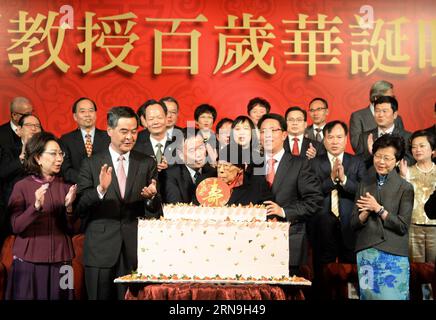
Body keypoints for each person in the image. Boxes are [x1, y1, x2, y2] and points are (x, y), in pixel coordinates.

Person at [76, 106, 162, 300]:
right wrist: (100, 190)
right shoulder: (91, 163)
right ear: (109, 130)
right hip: (100, 250)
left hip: (134, 249)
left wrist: (151, 199)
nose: (129, 137)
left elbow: (156, 212)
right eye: (124, 131)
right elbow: (79, 207)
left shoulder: (146, 163)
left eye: (134, 131)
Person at [6, 131, 77, 300]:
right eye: (53, 154)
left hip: (63, 263)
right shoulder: (21, 186)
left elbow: (73, 229)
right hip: (29, 262)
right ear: (38, 158)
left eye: (61, 154)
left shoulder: (66, 187)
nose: (59, 158)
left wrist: (68, 208)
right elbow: (16, 226)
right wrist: (35, 207)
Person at [258, 113, 323, 276]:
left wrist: (284, 211)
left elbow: (314, 201)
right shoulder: (252, 166)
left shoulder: (300, 164)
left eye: (273, 130)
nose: (267, 135)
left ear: (284, 135)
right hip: (256, 243)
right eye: (263, 131)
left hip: (289, 239)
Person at [351, 135, 414, 300]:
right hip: (366, 253)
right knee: (368, 296)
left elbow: (402, 226)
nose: (381, 161)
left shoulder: (405, 188)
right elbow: (353, 223)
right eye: (378, 156)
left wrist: (378, 209)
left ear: (398, 161)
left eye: (387, 158)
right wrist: (365, 212)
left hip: (393, 252)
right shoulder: (364, 184)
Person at [309, 121, 366, 299]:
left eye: (339, 137)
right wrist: (332, 180)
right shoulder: (313, 164)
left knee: (350, 270)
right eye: (330, 137)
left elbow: (363, 192)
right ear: (324, 140)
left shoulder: (356, 162)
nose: (335, 141)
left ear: (346, 139)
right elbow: (311, 194)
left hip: (350, 224)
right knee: (321, 270)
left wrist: (344, 180)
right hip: (322, 224)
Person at [0, 114, 43, 244]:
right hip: (13, 208)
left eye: (37, 126)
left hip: (40, 206)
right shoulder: (8, 150)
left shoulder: (47, 151)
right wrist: (21, 159)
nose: (34, 129)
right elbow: (3, 173)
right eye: (30, 125)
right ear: (19, 131)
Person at [399, 130, 436, 263]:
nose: (417, 150)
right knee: (416, 270)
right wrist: (403, 178)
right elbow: (402, 200)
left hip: (435, 227)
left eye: (421, 146)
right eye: (414, 147)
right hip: (413, 227)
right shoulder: (406, 171)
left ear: (433, 149)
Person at [60, 97, 110, 184]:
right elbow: (65, 170)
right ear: (75, 116)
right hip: (78, 190)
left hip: (107, 190)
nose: (87, 114)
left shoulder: (109, 137)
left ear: (95, 114)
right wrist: (87, 180)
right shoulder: (66, 140)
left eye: (91, 110)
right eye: (82, 111)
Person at [356, 96, 413, 168]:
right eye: (377, 111)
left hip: (396, 178)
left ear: (395, 115)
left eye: (384, 111)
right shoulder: (365, 137)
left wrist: (388, 160)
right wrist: (372, 155)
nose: (380, 115)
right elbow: (357, 163)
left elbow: (410, 161)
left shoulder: (407, 137)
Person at [349, 80, 405, 152]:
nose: (392, 100)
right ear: (376, 98)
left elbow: (403, 145)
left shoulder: (397, 118)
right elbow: (356, 145)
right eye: (389, 97)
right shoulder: (358, 116)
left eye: (393, 97)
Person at [163, 128, 216, 204]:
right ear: (181, 154)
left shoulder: (213, 173)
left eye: (201, 148)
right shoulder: (171, 175)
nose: (198, 154)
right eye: (192, 150)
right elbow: (175, 206)